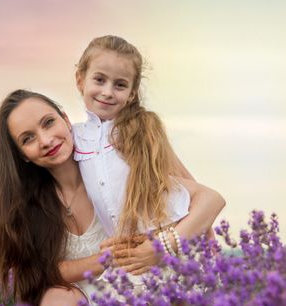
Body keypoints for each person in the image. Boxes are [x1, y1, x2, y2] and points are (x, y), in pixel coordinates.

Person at [0, 89, 225, 306]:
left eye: (48, 122)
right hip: (86, 294)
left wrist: (167, 248)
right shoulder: (26, 202)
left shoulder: (116, 156)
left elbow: (205, 201)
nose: (45, 140)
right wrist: (105, 259)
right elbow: (41, 273)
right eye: (28, 138)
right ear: (22, 155)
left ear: (65, 118)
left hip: (138, 286)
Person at [73, 35, 219, 272]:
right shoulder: (73, 138)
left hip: (168, 246)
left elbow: (189, 188)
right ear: (80, 80)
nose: (108, 92)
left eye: (120, 84)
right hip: (128, 259)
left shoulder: (142, 130)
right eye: (99, 80)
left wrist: (209, 242)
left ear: (132, 93)